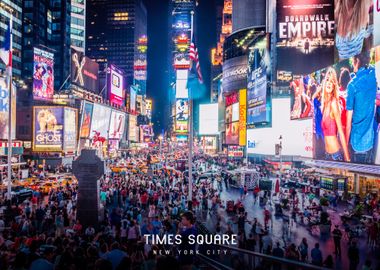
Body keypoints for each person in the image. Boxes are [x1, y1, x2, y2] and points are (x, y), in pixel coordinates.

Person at [346, 51, 378, 164]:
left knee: (356, 178)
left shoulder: (352, 85)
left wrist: (345, 147)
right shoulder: (374, 75)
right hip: (370, 141)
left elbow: (348, 123)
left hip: (357, 144)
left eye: (352, 61)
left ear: (357, 61)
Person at [320, 68, 350, 162]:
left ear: (334, 86)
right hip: (327, 155)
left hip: (335, 156)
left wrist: (347, 158)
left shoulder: (333, 103)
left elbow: (340, 132)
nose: (329, 83)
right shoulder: (325, 103)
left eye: (332, 81)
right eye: (327, 80)